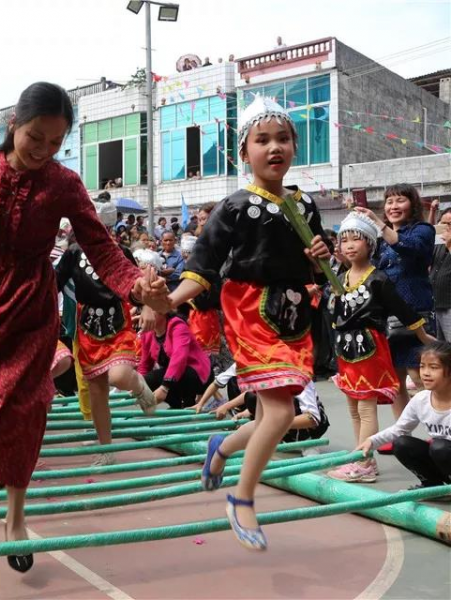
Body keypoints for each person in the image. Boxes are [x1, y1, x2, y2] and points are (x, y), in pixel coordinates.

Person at [0, 82, 162, 571]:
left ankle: (15, 519)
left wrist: (136, 286)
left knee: (25, 409)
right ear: (14, 125)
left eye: (55, 142)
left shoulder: (64, 184)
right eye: (35, 137)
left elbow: (102, 248)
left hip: (29, 308)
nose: (43, 150)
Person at [152, 95, 332, 550]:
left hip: (293, 315)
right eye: (263, 140)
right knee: (282, 412)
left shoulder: (305, 205)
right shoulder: (233, 208)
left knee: (277, 414)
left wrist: (319, 260)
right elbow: (202, 266)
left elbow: (311, 269)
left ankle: (223, 448)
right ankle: (243, 498)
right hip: (249, 311)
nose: (275, 148)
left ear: (295, 147)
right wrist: (167, 300)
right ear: (243, 153)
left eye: (284, 139)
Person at [326, 213, 432, 483]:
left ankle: (363, 462)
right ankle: (360, 457)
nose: (350, 245)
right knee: (353, 407)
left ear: (370, 244)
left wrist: (423, 336)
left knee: (365, 408)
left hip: (369, 348)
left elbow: (404, 311)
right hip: (345, 349)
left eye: (356, 240)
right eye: (345, 240)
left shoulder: (379, 279)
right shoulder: (341, 276)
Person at [55, 201, 157, 466]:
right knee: (97, 389)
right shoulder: (73, 253)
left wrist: (146, 305)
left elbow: (137, 284)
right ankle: (106, 448)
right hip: (87, 324)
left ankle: (139, 386)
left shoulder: (121, 252)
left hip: (117, 320)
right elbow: (51, 283)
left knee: (120, 375)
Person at [357, 184, 436, 435]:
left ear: (412, 205)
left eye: (399, 201)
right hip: (388, 316)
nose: (393, 207)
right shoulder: (381, 241)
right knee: (396, 379)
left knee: (422, 375)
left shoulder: (423, 230)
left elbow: (409, 248)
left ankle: (441, 431)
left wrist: (380, 225)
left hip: (416, 312)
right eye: (389, 201)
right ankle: (402, 435)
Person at [357, 341, 451, 491]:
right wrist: (371, 441)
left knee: (439, 447)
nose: (425, 373)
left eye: (434, 368)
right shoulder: (421, 400)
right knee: (402, 444)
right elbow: (399, 429)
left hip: (444, 452)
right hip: (442, 457)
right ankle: (432, 485)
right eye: (422, 366)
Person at [139, 308, 213, 409]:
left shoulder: (177, 325)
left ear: (163, 311)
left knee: (164, 376)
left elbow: (179, 358)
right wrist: (138, 384)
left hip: (198, 373)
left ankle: (189, 402)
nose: (146, 316)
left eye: (151, 310)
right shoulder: (147, 333)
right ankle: (176, 404)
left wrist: (164, 388)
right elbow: (145, 364)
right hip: (173, 375)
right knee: (148, 380)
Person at [431, 218, 451, 341]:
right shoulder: (437, 244)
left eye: (449, 224)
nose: (447, 227)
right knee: (440, 349)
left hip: (449, 305)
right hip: (435, 304)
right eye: (443, 223)